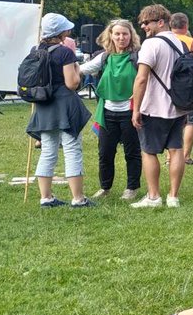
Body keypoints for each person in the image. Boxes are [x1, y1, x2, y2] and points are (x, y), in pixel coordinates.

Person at [27, 12, 93, 207]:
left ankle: (46, 197)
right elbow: (72, 83)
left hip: (44, 104)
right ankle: (78, 198)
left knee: (48, 151)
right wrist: (77, 70)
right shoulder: (65, 52)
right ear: (61, 32)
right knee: (72, 149)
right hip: (64, 105)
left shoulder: (35, 50)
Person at [130, 5, 189, 208]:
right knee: (176, 150)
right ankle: (173, 196)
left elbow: (141, 78)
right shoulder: (182, 43)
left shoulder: (151, 44)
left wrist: (136, 108)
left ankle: (154, 196)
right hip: (178, 106)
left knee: (148, 151)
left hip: (153, 106)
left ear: (161, 22)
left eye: (147, 22)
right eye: (142, 23)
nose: (143, 26)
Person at [79, 19, 142, 200]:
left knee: (132, 152)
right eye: (117, 34)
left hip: (130, 113)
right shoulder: (104, 57)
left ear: (131, 36)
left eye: (125, 34)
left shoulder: (138, 56)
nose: (121, 37)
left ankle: (132, 187)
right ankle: (105, 187)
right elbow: (81, 70)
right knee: (105, 153)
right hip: (107, 112)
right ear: (111, 36)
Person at [169, 12, 193, 167]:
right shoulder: (190, 41)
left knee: (172, 121)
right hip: (186, 86)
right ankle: (185, 156)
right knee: (192, 120)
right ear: (186, 25)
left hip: (167, 86)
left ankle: (170, 157)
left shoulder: (163, 39)